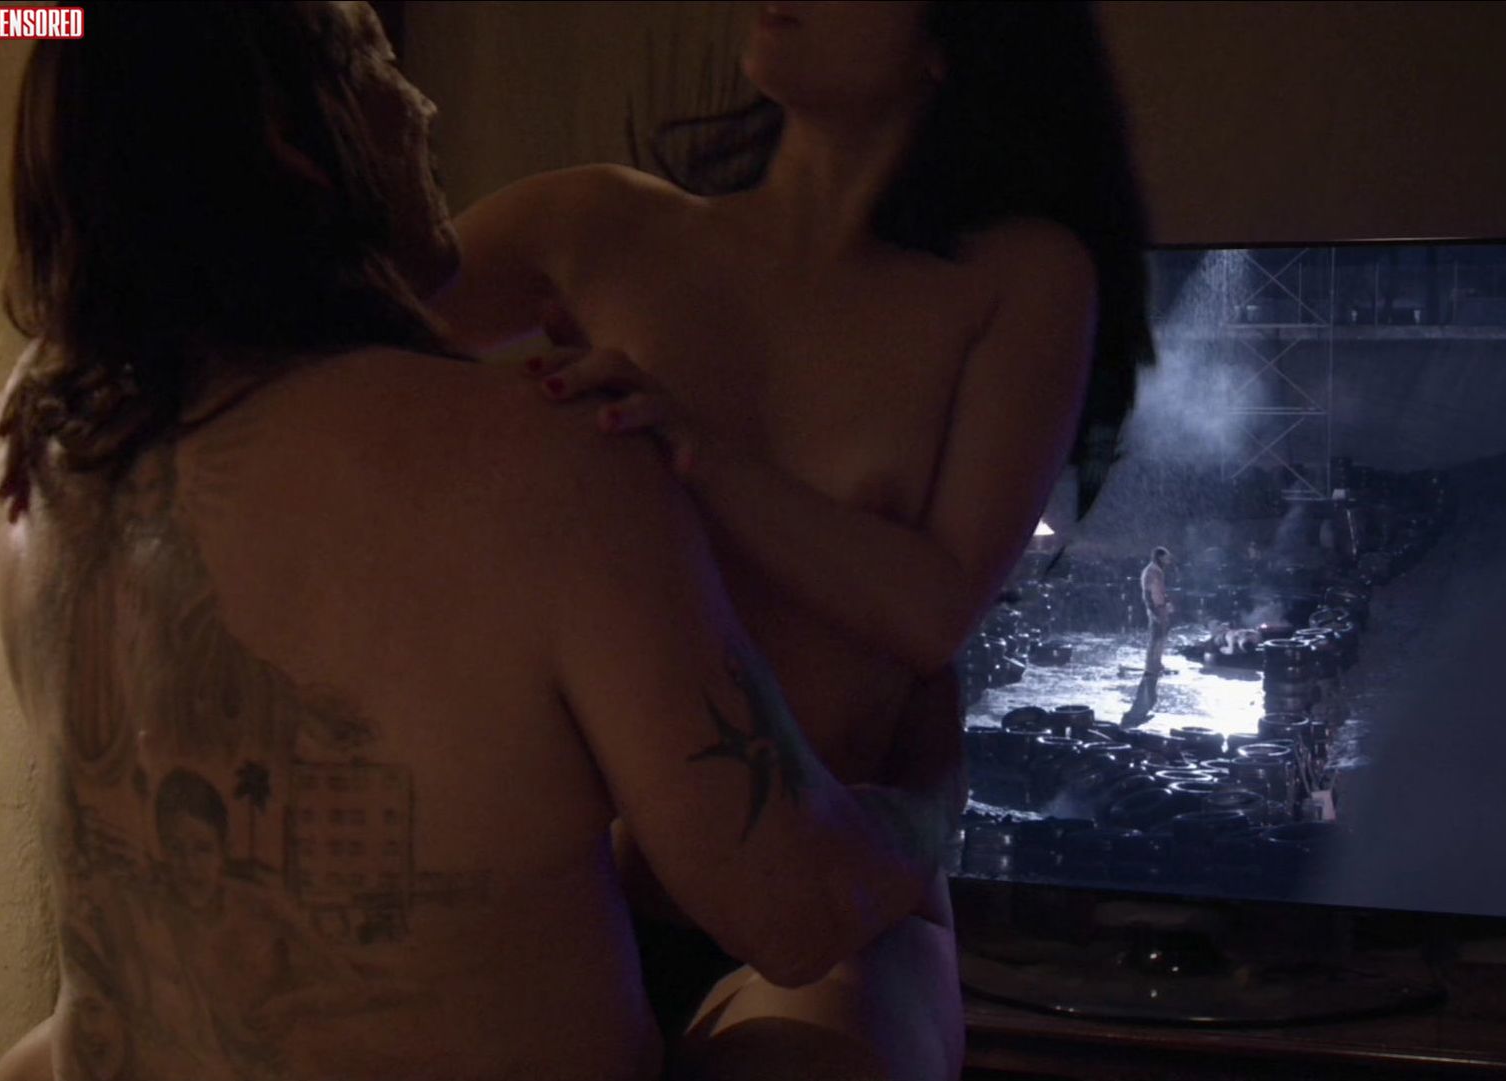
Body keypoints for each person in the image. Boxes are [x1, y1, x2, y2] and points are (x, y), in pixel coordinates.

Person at [0, 4, 950, 1079]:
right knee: (882, 959)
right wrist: (928, 805)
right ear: (290, 138)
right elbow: (791, 905)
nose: (422, 106)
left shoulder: (43, 466)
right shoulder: (549, 448)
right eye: (375, 66)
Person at [432, 3, 1152, 1076]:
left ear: (949, 36)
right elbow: (307, 346)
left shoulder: (1016, 278)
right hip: (578, 899)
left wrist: (701, 452)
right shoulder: (594, 224)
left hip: (842, 906)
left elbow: (933, 606)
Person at [1123, 546, 1174, 724]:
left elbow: (1161, 591)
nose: (1169, 560)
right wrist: (1153, 611)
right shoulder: (1151, 572)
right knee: (1156, 637)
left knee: (1160, 637)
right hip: (1156, 608)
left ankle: (1155, 663)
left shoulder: (1158, 571)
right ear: (1159, 557)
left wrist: (1166, 604)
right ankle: (1151, 665)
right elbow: (1147, 593)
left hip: (1160, 607)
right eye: (1166, 557)